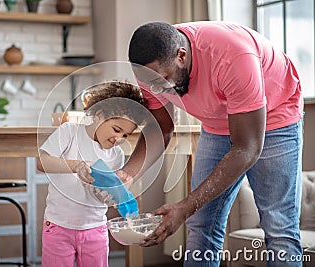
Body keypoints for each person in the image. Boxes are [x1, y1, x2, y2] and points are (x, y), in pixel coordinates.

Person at [126, 21, 303, 266]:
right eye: (151, 84)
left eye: (164, 80)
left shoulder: (232, 56)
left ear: (182, 56)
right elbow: (160, 128)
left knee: (278, 226)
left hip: (274, 116)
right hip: (217, 122)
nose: (157, 90)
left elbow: (247, 147)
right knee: (200, 222)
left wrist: (184, 206)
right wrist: (126, 175)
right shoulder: (150, 70)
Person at [37, 81, 147, 267]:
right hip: (58, 227)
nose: (119, 139)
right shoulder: (69, 133)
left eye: (126, 135)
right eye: (116, 130)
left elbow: (105, 196)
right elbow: (42, 162)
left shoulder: (116, 155)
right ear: (98, 115)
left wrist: (108, 196)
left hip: (95, 229)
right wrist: (76, 165)